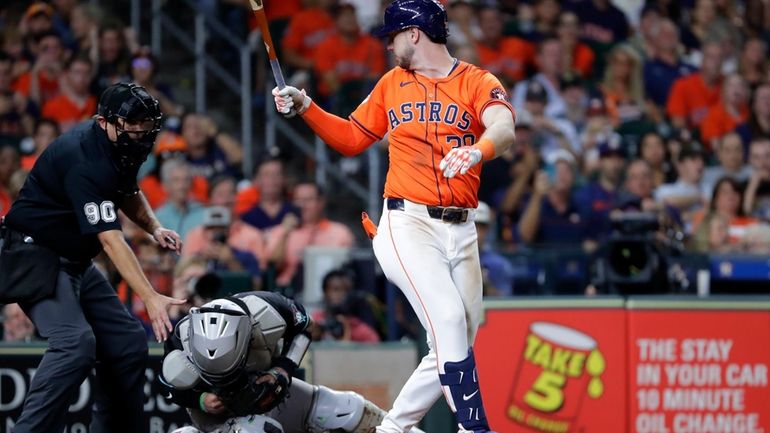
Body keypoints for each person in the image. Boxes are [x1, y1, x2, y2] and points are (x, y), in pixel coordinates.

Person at [273, 1, 515, 432]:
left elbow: (503, 127)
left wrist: (479, 149)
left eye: (393, 35)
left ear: (416, 33)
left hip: (461, 228)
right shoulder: (391, 84)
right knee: (447, 320)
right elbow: (351, 138)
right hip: (407, 222)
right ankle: (474, 427)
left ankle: (391, 429)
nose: (387, 45)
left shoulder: (478, 80)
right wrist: (307, 106)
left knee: (453, 341)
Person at [1, 82, 185, 433]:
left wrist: (154, 227)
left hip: (72, 260)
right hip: (33, 256)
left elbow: (127, 191)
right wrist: (150, 297)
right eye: (132, 124)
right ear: (104, 122)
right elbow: (111, 240)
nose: (141, 132)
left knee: (128, 343)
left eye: (147, 124)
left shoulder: (122, 147)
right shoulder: (85, 157)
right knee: (75, 345)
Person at [160, 291, 424, 433]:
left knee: (346, 408)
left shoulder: (269, 310)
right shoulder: (180, 339)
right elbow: (169, 388)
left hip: (271, 390)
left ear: (249, 336)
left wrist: (283, 370)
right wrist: (201, 400)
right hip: (217, 418)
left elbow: (308, 330)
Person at [267, 181, 355, 287]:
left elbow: (347, 271)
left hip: (326, 292)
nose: (302, 205)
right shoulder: (280, 231)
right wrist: (285, 233)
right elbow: (273, 267)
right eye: (297, 200)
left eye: (308, 200)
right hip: (286, 293)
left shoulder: (340, 233)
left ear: (321, 202)